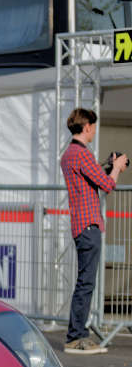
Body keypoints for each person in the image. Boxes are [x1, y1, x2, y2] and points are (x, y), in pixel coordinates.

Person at [60, 107, 127, 354]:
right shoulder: (82, 154)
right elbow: (107, 184)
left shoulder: (69, 154)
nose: (94, 132)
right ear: (87, 126)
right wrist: (117, 166)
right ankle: (76, 337)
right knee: (86, 283)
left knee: (83, 282)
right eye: (94, 127)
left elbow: (92, 177)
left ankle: (76, 335)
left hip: (80, 224)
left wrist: (107, 164)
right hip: (89, 225)